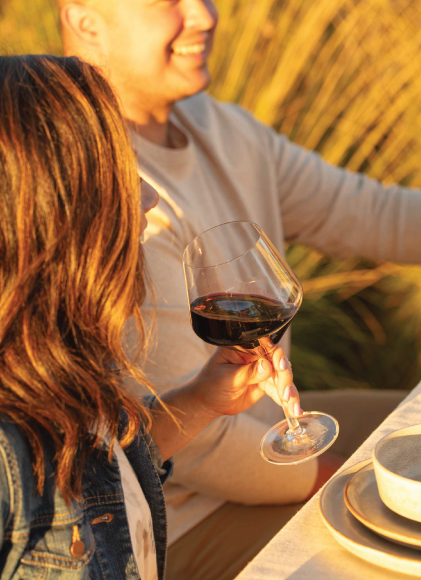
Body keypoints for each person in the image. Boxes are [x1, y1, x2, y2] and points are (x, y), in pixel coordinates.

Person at [57, 1, 419, 578]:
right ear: (85, 15)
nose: (203, 16)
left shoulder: (216, 126)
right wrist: (343, 479)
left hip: (263, 432)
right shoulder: (94, 181)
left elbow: (369, 212)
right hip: (178, 518)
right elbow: (199, 453)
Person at [0, 54, 300, 580]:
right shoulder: (8, 443)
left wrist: (202, 401)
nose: (150, 198)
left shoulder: (60, 366)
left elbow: (99, 474)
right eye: (119, 175)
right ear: (55, 213)